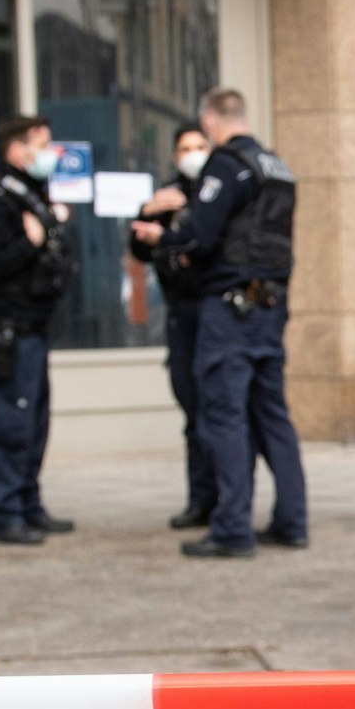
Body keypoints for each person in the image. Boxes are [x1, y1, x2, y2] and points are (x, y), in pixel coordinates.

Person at [160, 87, 308, 558]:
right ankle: (291, 521)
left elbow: (200, 237)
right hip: (269, 306)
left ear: (209, 120)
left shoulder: (225, 165)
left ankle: (231, 529)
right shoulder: (277, 167)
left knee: (223, 416)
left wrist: (168, 236)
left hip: (231, 309)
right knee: (272, 416)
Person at [0, 115, 76, 546]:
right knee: (11, 425)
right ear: (17, 150)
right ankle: (5, 514)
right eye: (42, 144)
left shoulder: (33, 196)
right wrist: (29, 241)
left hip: (34, 326)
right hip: (10, 330)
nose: (52, 153)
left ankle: (29, 505)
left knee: (34, 424)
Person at [130, 121, 217, 529]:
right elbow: (139, 246)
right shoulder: (167, 195)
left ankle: (227, 499)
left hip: (214, 316)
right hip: (181, 316)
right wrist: (147, 213)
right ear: (174, 155)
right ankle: (200, 499)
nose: (193, 154)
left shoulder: (217, 193)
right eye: (186, 147)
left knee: (220, 413)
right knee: (193, 411)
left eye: (200, 145)